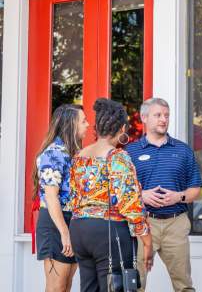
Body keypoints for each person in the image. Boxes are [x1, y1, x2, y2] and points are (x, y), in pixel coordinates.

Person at [68, 98, 153, 292]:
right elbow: (129, 204)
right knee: (115, 286)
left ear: (97, 127)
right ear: (122, 128)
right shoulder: (117, 157)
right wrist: (147, 240)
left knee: (89, 288)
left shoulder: (79, 157)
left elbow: (72, 197)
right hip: (109, 231)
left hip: (79, 229)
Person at [126, 97, 202, 292]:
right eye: (158, 115)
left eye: (166, 115)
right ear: (144, 117)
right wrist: (141, 195)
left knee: (184, 285)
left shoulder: (183, 150)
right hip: (143, 223)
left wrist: (179, 196)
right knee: (135, 284)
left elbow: (195, 189)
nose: (163, 119)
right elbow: (120, 191)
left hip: (175, 224)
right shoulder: (130, 152)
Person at [34, 104, 89, 292]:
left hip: (70, 222)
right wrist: (65, 233)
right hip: (55, 223)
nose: (87, 125)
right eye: (83, 121)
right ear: (70, 125)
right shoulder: (54, 152)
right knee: (56, 287)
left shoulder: (72, 153)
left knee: (66, 285)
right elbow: (51, 197)